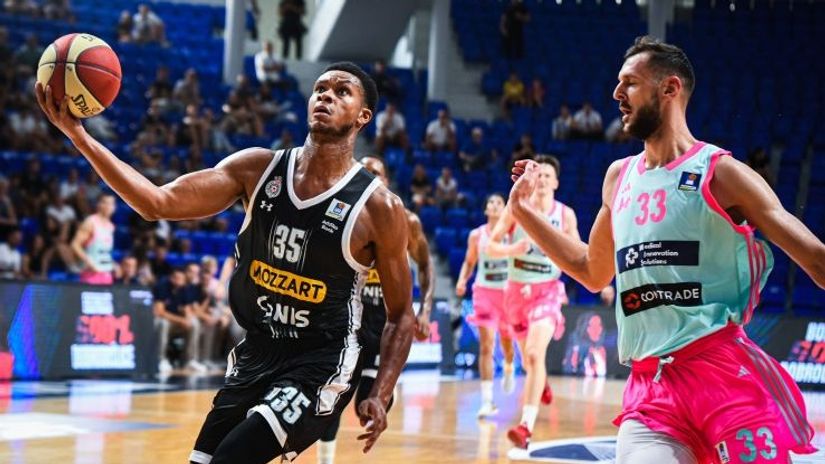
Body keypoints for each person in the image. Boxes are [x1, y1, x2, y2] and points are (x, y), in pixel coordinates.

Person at [36, 60, 415, 464]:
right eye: (320, 89)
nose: (326, 96)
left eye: (341, 92)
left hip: (321, 360)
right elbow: (156, 202)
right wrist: (79, 136)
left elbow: (401, 316)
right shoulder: (257, 169)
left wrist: (381, 392)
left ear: (363, 116)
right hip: (257, 351)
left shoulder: (379, 208)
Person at [508, 36, 824, 464]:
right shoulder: (619, 177)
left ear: (670, 88)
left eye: (629, 83)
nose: (616, 94)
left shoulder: (722, 173)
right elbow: (591, 270)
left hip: (722, 376)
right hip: (652, 391)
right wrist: (524, 212)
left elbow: (815, 259)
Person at [316, 156, 434, 464]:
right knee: (331, 400)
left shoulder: (407, 220)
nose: (369, 176)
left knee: (365, 408)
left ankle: (385, 391)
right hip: (349, 322)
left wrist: (425, 310)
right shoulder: (339, 215)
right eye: (364, 171)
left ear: (387, 181)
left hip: (384, 325)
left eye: (376, 172)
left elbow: (424, 264)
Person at [487, 155, 577, 448]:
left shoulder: (565, 215)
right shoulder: (517, 208)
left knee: (536, 355)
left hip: (548, 291)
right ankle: (542, 383)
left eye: (548, 175)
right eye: (539, 175)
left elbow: (577, 250)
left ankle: (525, 426)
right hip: (516, 293)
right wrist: (513, 249)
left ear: (556, 183)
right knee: (528, 360)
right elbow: (491, 245)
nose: (543, 180)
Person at [455, 193, 516, 418]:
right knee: (486, 346)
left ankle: (509, 365)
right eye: (491, 202)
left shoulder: (512, 232)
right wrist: (462, 280)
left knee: (507, 343)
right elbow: (469, 261)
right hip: (484, 293)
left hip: (507, 294)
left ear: (505, 209)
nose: (495, 205)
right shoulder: (477, 235)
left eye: (499, 202)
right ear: (485, 209)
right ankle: (487, 401)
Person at [153, 267, 201, 373]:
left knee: (194, 323)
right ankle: (161, 360)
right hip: (163, 321)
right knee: (163, 324)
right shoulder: (162, 287)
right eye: (177, 278)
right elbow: (160, 312)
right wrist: (181, 320)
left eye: (182, 279)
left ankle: (190, 360)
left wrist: (187, 319)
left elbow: (187, 308)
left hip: (177, 322)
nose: (180, 281)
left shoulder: (184, 288)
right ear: (172, 278)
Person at [71, 194, 116, 285]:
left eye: (111, 204)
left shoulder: (111, 226)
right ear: (99, 205)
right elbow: (75, 245)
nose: (109, 206)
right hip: (91, 274)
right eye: (106, 203)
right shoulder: (90, 222)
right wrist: (89, 262)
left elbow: (104, 251)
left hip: (106, 273)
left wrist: (114, 264)